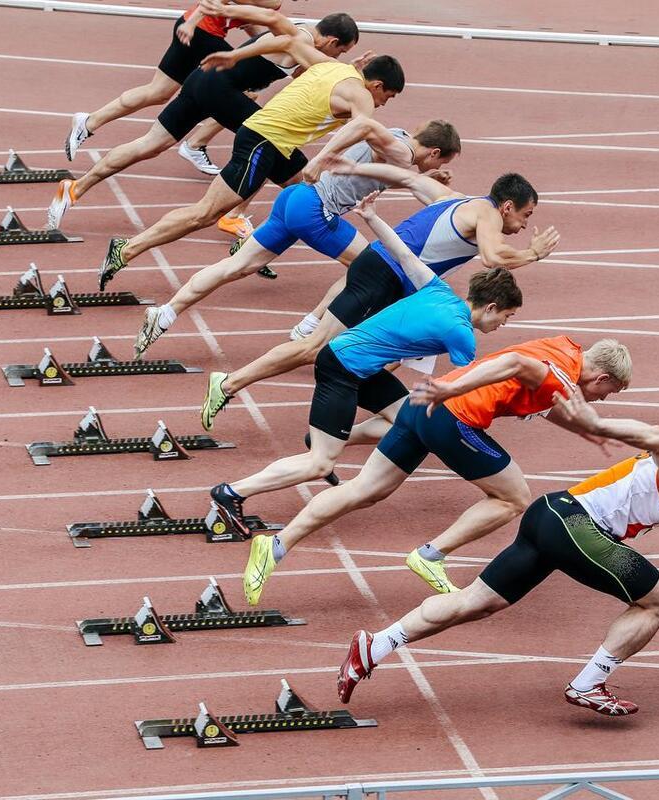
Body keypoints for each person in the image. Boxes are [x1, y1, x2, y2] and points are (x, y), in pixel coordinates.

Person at [335, 398, 659, 715]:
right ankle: (589, 683)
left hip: (550, 512)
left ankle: (376, 645)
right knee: (658, 602)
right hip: (578, 526)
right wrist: (596, 425)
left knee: (477, 601)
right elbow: (656, 436)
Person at [211, 192, 521, 604]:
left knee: (408, 419)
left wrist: (372, 216)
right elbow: (470, 384)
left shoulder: (440, 290)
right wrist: (521, 402)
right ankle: (233, 491)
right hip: (342, 366)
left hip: (363, 366)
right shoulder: (461, 333)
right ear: (492, 306)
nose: (504, 325)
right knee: (321, 463)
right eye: (507, 317)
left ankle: (330, 435)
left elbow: (403, 253)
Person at [242, 337, 633, 605]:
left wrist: (589, 430)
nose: (602, 399)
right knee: (513, 497)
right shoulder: (560, 375)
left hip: (420, 408)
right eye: (609, 392)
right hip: (453, 416)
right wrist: (452, 391)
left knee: (365, 489)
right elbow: (512, 364)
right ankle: (431, 555)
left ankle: (275, 546)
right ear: (602, 378)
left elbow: (547, 403)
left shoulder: (564, 351)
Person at [200, 167, 560, 431]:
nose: (523, 226)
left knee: (396, 353)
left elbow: (407, 178)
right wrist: (533, 254)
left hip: (397, 281)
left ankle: (377, 419)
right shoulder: (486, 213)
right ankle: (229, 383)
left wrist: (353, 167)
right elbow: (493, 257)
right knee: (315, 348)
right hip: (383, 273)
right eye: (526, 216)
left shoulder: (456, 198)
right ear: (507, 206)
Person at [96, 14, 407, 292]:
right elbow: (361, 126)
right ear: (377, 85)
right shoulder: (361, 97)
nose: (383, 103)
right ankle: (127, 248)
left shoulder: (332, 67)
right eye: (388, 97)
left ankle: (251, 245)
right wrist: (322, 158)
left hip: (274, 141)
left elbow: (286, 42)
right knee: (205, 214)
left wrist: (235, 55)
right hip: (262, 141)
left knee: (307, 194)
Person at [130, 120, 462, 361]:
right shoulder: (403, 153)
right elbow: (361, 124)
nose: (437, 166)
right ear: (434, 151)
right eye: (441, 162)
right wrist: (321, 157)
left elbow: (382, 174)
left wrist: (428, 176)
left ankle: (166, 313)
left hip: (294, 198)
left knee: (236, 266)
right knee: (370, 266)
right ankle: (311, 325)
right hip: (316, 209)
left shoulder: (398, 138)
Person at [47, 9, 361, 233]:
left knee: (151, 143)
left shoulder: (303, 32)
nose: (339, 57)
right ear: (332, 41)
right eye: (342, 51)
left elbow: (299, 67)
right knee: (272, 145)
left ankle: (74, 188)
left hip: (202, 79)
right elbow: (273, 20)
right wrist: (226, 11)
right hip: (220, 89)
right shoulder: (300, 38)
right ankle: (235, 214)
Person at [61, 0, 283, 164]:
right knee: (244, 91)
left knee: (158, 91)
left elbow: (250, 24)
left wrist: (261, 46)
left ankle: (88, 122)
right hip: (199, 32)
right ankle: (195, 144)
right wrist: (192, 24)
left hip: (193, 28)